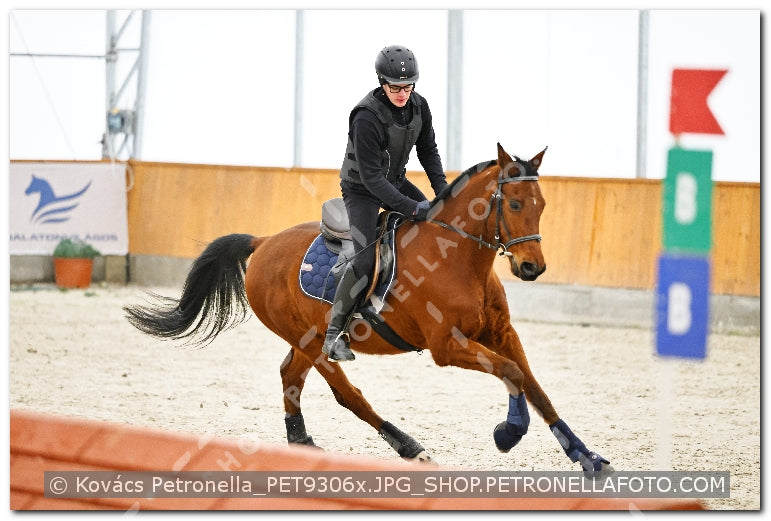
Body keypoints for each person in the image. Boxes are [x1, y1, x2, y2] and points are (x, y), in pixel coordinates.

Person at [322, 44, 448, 362]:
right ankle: (334, 333)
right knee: (364, 260)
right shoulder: (365, 117)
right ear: (382, 82)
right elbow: (372, 179)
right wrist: (412, 207)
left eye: (408, 86)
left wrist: (443, 193)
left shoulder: (420, 106)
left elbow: (429, 152)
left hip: (393, 180)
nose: (402, 93)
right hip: (362, 189)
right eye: (395, 87)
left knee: (437, 226)